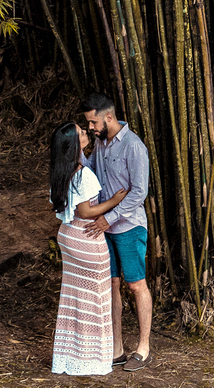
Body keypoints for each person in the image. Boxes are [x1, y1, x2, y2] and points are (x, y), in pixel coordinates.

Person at [49, 121, 129, 376]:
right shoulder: (83, 174)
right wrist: (115, 201)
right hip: (87, 238)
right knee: (96, 299)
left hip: (68, 236)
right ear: (74, 144)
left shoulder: (60, 172)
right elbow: (85, 211)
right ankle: (94, 359)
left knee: (74, 299)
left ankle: (70, 357)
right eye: (81, 133)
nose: (86, 132)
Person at [80, 91, 152, 372]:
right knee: (111, 285)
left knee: (136, 285)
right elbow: (93, 174)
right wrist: (76, 153)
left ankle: (143, 348)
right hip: (105, 226)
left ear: (108, 117)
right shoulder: (101, 143)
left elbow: (139, 192)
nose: (90, 128)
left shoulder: (133, 146)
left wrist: (109, 218)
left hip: (128, 226)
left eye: (93, 123)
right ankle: (117, 348)